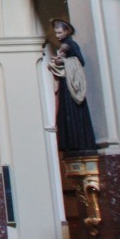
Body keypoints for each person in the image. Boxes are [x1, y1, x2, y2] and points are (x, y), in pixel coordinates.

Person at [47, 19, 97, 153]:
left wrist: (64, 61)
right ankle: (70, 141)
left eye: (59, 32)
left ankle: (78, 141)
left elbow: (80, 61)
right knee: (65, 109)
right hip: (65, 81)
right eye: (56, 33)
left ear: (67, 31)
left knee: (73, 109)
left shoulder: (71, 44)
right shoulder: (64, 45)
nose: (57, 35)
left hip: (71, 82)